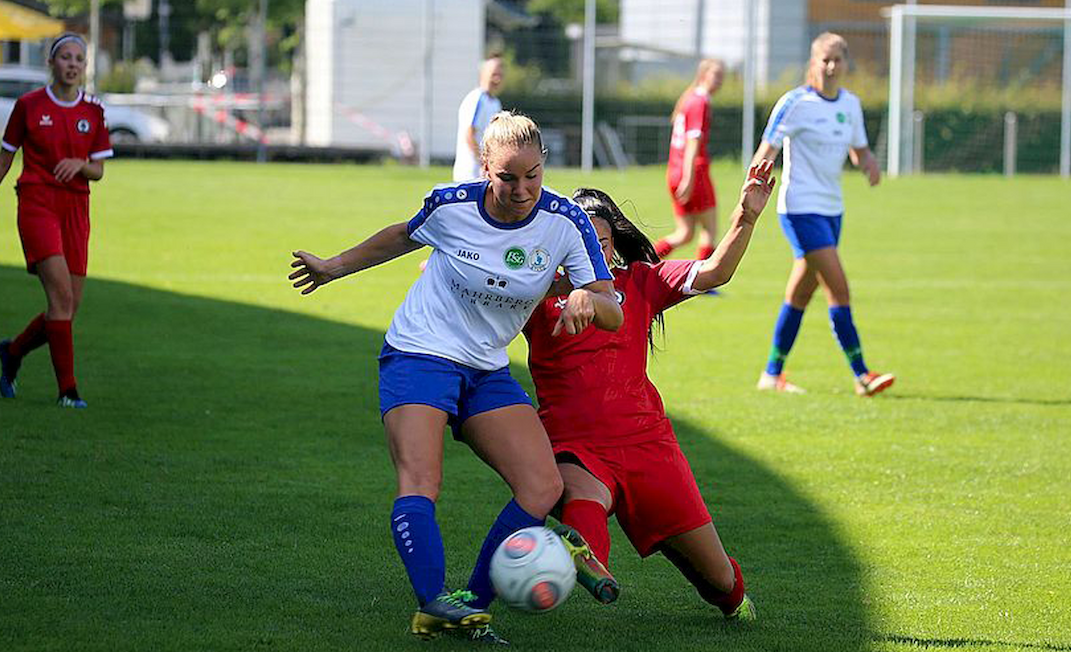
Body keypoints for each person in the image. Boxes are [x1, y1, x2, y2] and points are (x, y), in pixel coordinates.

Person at [289, 112, 624, 641]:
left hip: (486, 367)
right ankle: (432, 604)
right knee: (422, 480)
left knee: (541, 486)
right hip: (419, 352)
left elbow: (614, 310)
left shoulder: (566, 222)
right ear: (484, 168)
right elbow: (403, 235)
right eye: (507, 177)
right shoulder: (452, 205)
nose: (522, 190)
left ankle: (470, 606)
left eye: (533, 175)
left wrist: (587, 297)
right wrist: (334, 266)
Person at [522, 161, 778, 626]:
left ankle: (725, 593)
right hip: (574, 443)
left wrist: (746, 215)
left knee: (720, 583)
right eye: (576, 243)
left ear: (613, 246)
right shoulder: (535, 295)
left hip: (648, 446)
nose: (588, 253)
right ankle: (576, 555)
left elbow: (715, 272)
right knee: (583, 497)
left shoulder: (640, 282)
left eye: (598, 243)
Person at [751, 32, 895, 397]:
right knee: (839, 287)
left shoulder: (851, 104)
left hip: (833, 211)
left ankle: (771, 374)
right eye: (824, 60)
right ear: (813, 63)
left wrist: (869, 164)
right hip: (799, 208)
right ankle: (862, 374)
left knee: (800, 295)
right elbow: (767, 148)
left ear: (846, 63)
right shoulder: (795, 102)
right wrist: (753, 185)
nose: (831, 67)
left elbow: (857, 149)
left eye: (837, 60)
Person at [0, 33, 113, 409]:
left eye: (79, 60)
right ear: (51, 63)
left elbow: (99, 170)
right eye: (65, 57)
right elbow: (5, 158)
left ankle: (14, 351)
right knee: (60, 298)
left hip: (76, 208)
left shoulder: (94, 111)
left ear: (84, 68)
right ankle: (68, 391)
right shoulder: (28, 105)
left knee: (68, 308)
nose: (72, 64)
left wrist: (81, 165)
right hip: (37, 203)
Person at [654, 58, 724, 262]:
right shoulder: (700, 101)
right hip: (693, 171)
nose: (720, 81)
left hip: (675, 171)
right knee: (710, 230)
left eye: (722, 77)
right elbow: (693, 142)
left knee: (685, 233)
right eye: (716, 75)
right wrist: (689, 177)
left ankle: (644, 260)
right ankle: (706, 280)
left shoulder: (689, 98)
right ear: (703, 75)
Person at [452, 55, 504, 182]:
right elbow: (469, 134)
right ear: (483, 74)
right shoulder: (477, 99)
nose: (497, 79)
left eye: (500, 75)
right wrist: (484, 162)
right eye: (493, 74)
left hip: (485, 173)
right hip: (470, 172)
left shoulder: (495, 103)